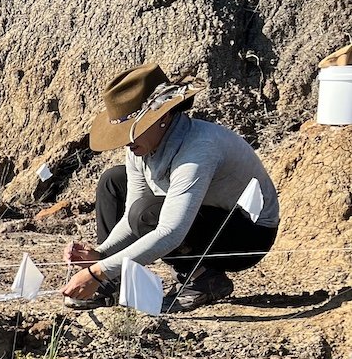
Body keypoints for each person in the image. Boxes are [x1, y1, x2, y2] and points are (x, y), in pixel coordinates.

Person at [62, 62, 280, 311]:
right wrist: (101, 255)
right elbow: (131, 212)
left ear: (163, 117)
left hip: (246, 236)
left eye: (132, 131)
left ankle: (201, 280)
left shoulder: (200, 148)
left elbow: (170, 231)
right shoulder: (139, 148)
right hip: (205, 219)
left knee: (147, 213)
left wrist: (98, 271)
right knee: (114, 181)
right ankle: (113, 281)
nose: (126, 142)